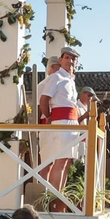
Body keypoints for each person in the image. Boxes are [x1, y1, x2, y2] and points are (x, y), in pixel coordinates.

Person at [36, 47, 85, 196]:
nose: (70, 61)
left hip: (71, 123)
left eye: (73, 59)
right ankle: (52, 197)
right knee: (60, 160)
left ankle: (59, 196)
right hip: (61, 122)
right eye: (67, 58)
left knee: (67, 162)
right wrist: (49, 116)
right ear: (61, 60)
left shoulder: (69, 80)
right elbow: (44, 99)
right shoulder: (56, 77)